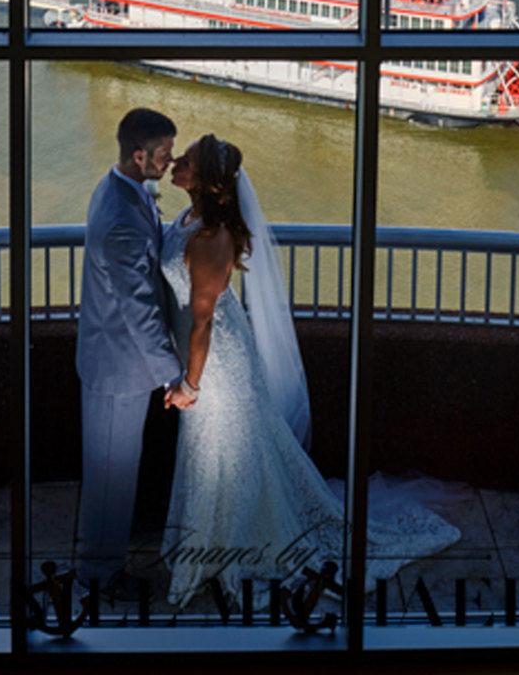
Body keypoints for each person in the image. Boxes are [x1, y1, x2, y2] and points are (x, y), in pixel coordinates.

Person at [158, 133, 465, 610]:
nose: (177, 162)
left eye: (188, 160)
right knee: (219, 454)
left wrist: (189, 386)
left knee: (227, 453)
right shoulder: (191, 218)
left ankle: (233, 550)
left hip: (218, 362)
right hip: (211, 352)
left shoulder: (210, 238)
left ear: (205, 182)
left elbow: (202, 321)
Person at [74, 106, 194, 590]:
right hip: (117, 369)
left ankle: (111, 551)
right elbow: (138, 309)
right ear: (140, 154)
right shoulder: (120, 220)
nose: (169, 163)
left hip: (115, 361)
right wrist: (173, 376)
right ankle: (99, 574)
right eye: (164, 155)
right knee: (110, 475)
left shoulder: (124, 190)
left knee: (117, 470)